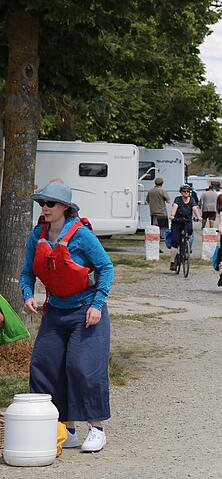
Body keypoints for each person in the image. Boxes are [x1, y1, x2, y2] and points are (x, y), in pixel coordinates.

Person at [19, 181, 114, 452]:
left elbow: (106, 268)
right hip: (55, 312)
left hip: (86, 312)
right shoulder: (37, 234)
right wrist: (27, 295)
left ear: (64, 207)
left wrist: (98, 303)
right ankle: (65, 429)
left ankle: (97, 429)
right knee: (44, 367)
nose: (44, 208)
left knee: (82, 368)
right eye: (42, 203)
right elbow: (28, 272)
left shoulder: (82, 235)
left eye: (49, 204)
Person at [168, 184, 202, 272]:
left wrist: (199, 217)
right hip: (177, 221)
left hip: (187, 221)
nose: (186, 193)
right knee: (175, 241)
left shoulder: (192, 200)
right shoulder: (178, 199)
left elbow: (195, 208)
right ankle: (172, 262)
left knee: (190, 232)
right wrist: (172, 215)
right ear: (181, 192)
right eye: (184, 191)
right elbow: (175, 206)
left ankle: (187, 247)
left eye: (187, 191)